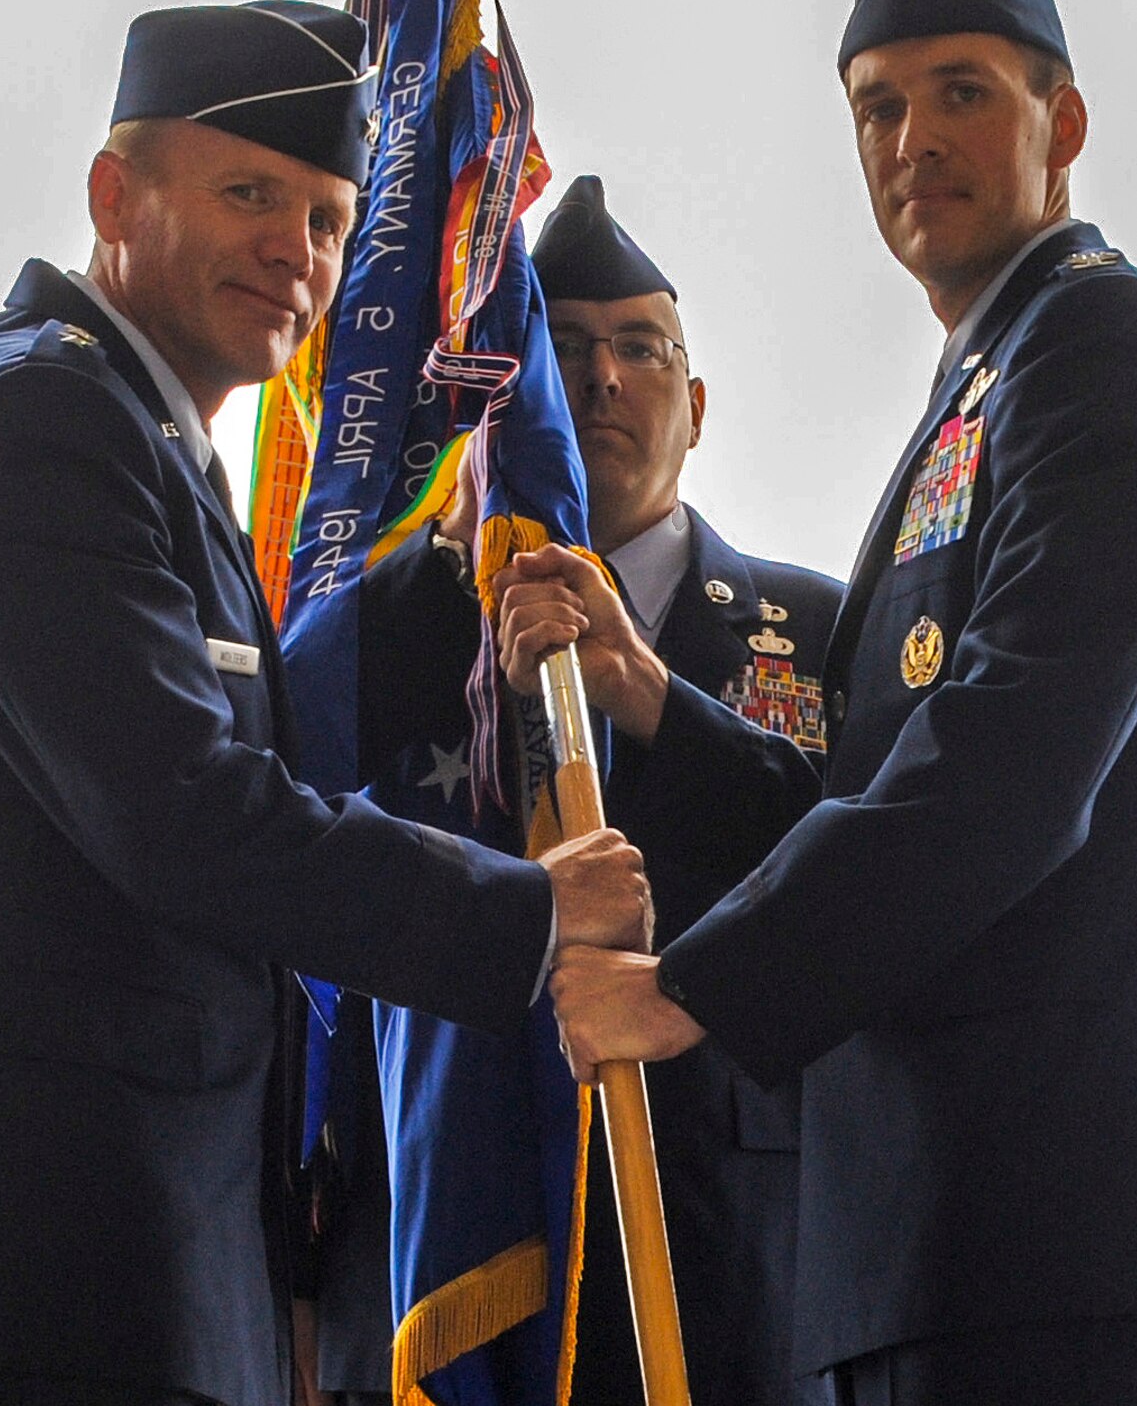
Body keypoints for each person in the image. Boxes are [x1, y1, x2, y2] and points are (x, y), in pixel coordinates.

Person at [0, 0, 652, 1406]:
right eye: (249, 194)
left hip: (118, 1277)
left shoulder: (130, 436)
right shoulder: (35, 427)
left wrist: (457, 572)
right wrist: (532, 916)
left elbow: (253, 740)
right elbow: (190, 816)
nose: (295, 252)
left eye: (326, 220)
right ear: (112, 195)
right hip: (43, 1288)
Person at [525, 0, 1137, 1406]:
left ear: (1060, 123)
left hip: (1043, 1203)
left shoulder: (1106, 352)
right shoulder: (989, 381)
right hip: (925, 1217)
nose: (912, 139)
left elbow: (1003, 773)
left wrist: (693, 988)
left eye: (961, 94)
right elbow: (872, 781)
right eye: (879, 105)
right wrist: (658, 703)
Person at [321, 177, 840, 1404]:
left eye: (638, 347)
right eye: (562, 349)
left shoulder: (815, 626)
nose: (601, 379)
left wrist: (643, 687)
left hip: (741, 1263)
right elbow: (311, 907)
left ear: (695, 403)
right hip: (458, 1251)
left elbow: (869, 876)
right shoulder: (414, 636)